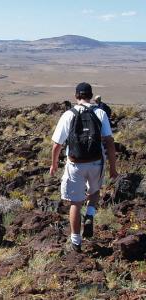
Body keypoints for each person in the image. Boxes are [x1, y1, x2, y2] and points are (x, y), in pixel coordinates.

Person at [49, 82, 118, 252]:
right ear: (91, 95)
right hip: (96, 162)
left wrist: (54, 164)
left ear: (76, 96)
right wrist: (113, 168)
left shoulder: (68, 114)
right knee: (94, 191)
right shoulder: (100, 112)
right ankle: (90, 214)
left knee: (75, 203)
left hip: (75, 164)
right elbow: (109, 142)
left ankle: (76, 242)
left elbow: (56, 144)